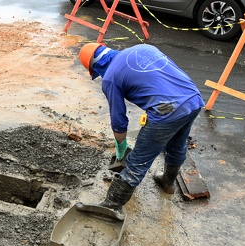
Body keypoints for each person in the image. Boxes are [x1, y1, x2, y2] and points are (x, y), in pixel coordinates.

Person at [76, 42, 205, 222]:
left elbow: (119, 122)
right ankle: (168, 182)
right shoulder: (143, 48)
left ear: (96, 66)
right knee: (177, 144)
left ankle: (112, 205)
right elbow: (159, 79)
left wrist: (121, 146)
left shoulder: (110, 78)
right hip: (193, 99)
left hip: (167, 111)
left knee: (138, 161)